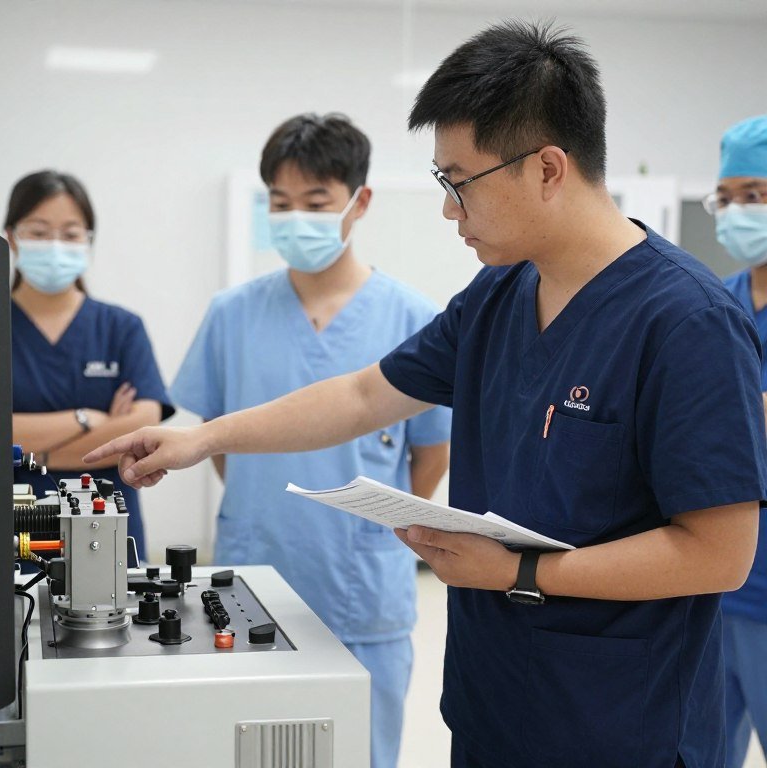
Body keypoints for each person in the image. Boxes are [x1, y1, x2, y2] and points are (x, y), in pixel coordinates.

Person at [86, 21, 767, 768]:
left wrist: (519, 571)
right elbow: (360, 396)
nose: (449, 210)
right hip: (494, 708)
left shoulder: (688, 322)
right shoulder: (500, 295)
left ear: (546, 168)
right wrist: (203, 440)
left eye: (459, 182)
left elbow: (719, 555)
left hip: (622, 728)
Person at [169, 113, 451, 768]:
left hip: (362, 588)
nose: (295, 219)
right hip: (254, 570)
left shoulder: (414, 318)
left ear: (360, 201)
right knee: (249, 750)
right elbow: (216, 443)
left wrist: (372, 531)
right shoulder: (231, 314)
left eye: (316, 203)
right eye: (280, 203)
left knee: (362, 753)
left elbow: (430, 452)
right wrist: (263, 503)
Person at [7, 170, 174, 563]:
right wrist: (90, 419)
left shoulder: (121, 327)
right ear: (11, 236)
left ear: (88, 241)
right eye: (39, 231)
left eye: (70, 233)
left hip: (108, 523)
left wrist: (33, 455)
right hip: (14, 524)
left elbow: (143, 424)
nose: (55, 245)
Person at [710, 115, 767, 768]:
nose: (735, 212)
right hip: (713, 580)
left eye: (754, 195)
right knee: (701, 751)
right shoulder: (718, 301)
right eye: (726, 198)